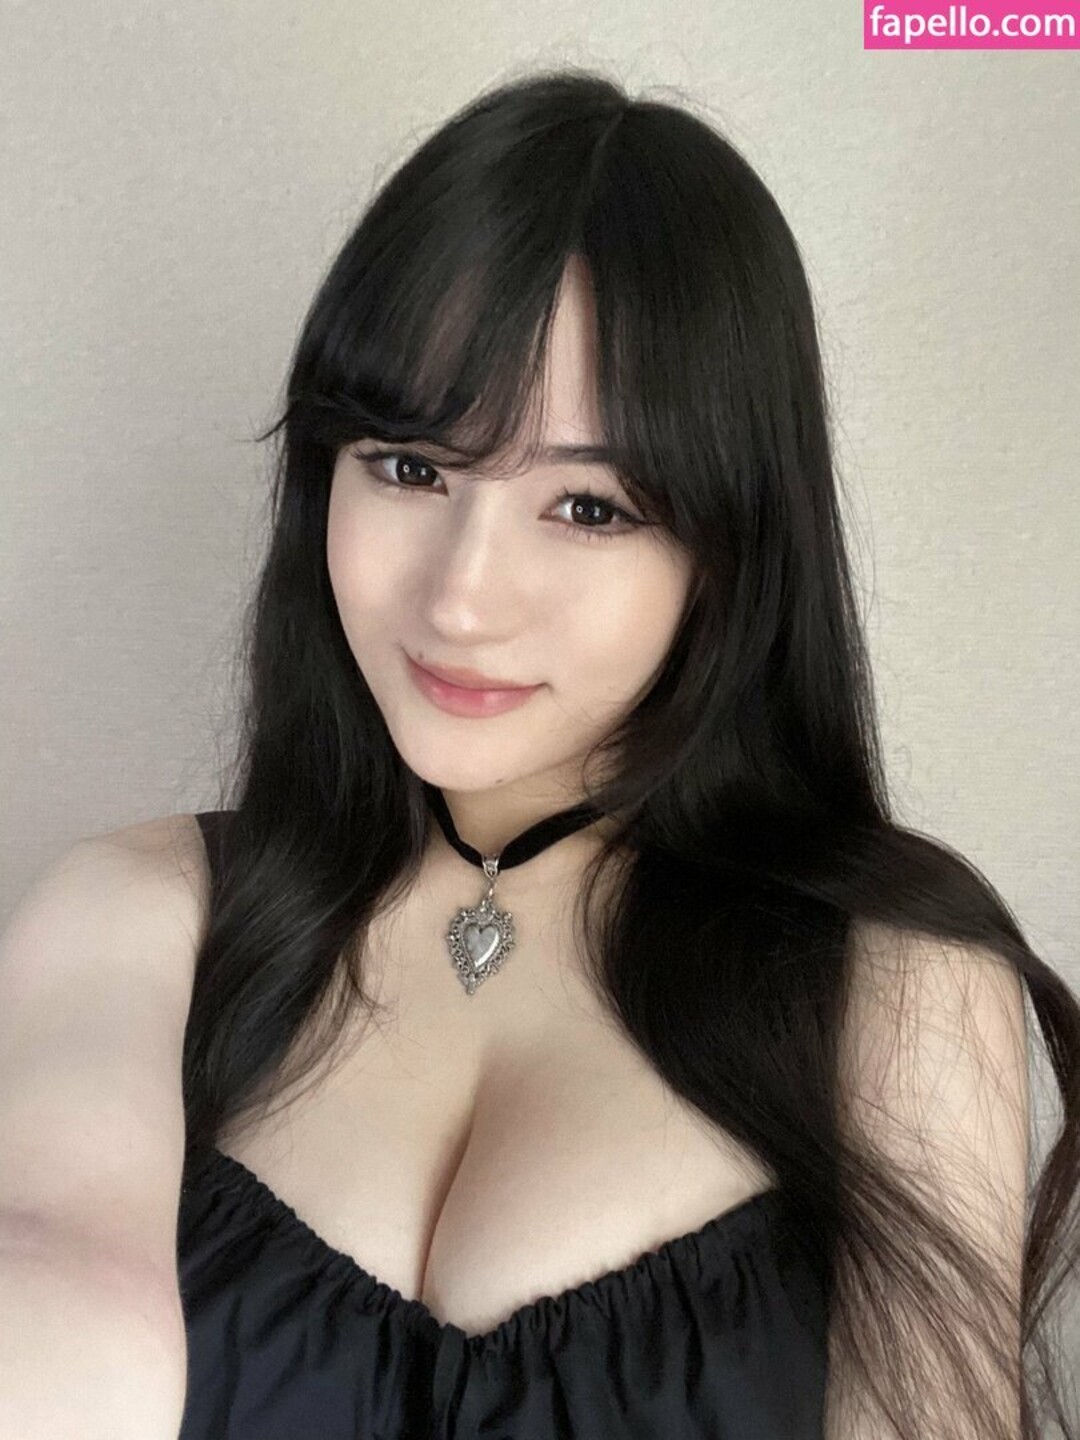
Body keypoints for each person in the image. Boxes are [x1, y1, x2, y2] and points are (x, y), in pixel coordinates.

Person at [1, 67, 1077, 1440]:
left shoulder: (897, 978)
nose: (461, 600)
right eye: (410, 467)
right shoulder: (141, 910)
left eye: (588, 506)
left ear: (730, 551)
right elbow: (53, 1267)